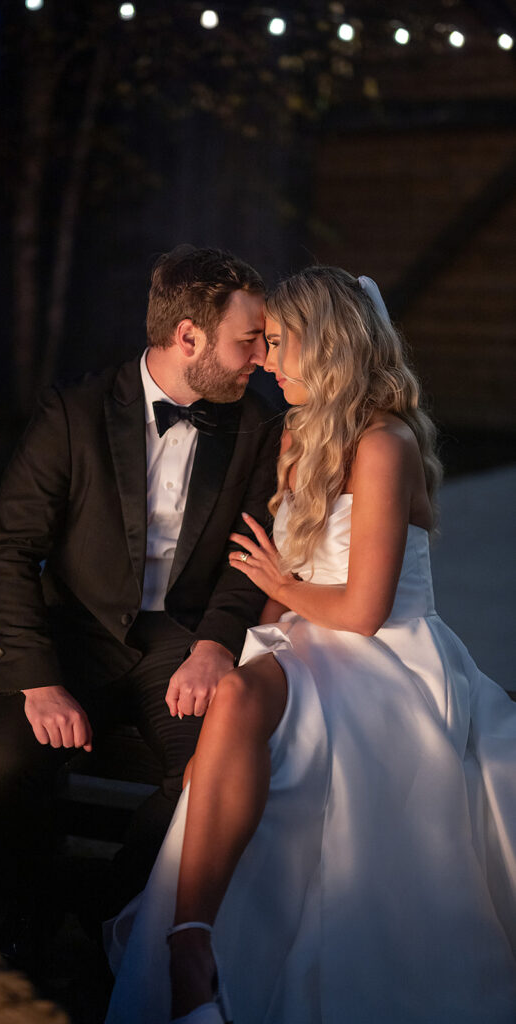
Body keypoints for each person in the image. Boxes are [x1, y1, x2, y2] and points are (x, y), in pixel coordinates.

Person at [105, 266, 516, 1024]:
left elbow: (361, 610)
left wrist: (279, 586)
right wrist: (237, 649)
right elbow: (280, 580)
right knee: (228, 702)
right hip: (304, 638)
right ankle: (190, 941)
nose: (263, 359)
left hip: (386, 658)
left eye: (278, 342)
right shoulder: (301, 432)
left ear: (325, 344)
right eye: (260, 343)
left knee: (268, 732)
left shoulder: (383, 443)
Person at [0, 245, 282, 967]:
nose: (259, 356)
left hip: (181, 638)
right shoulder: (71, 411)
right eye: (246, 339)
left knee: (210, 771)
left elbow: (250, 559)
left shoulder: (259, 424)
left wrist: (214, 646)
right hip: (71, 636)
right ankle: (35, 905)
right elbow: (10, 551)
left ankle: (111, 912)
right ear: (188, 337)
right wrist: (38, 680)